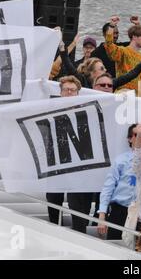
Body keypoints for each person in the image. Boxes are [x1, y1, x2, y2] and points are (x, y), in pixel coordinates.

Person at [45, 76, 95, 234]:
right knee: (54, 202)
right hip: (56, 164)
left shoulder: (88, 111)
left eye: (72, 90)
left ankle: (80, 237)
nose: (69, 93)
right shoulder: (47, 108)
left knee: (80, 208)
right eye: (66, 90)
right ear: (60, 92)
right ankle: (54, 233)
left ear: (78, 93)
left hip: (79, 167)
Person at [97, 124, 141, 240]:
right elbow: (108, 188)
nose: (140, 137)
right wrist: (102, 215)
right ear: (130, 139)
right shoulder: (120, 160)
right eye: (137, 134)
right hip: (120, 212)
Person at [105, 15, 141, 96]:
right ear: (134, 37)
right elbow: (109, 45)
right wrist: (111, 26)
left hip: (136, 95)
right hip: (123, 92)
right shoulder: (123, 51)